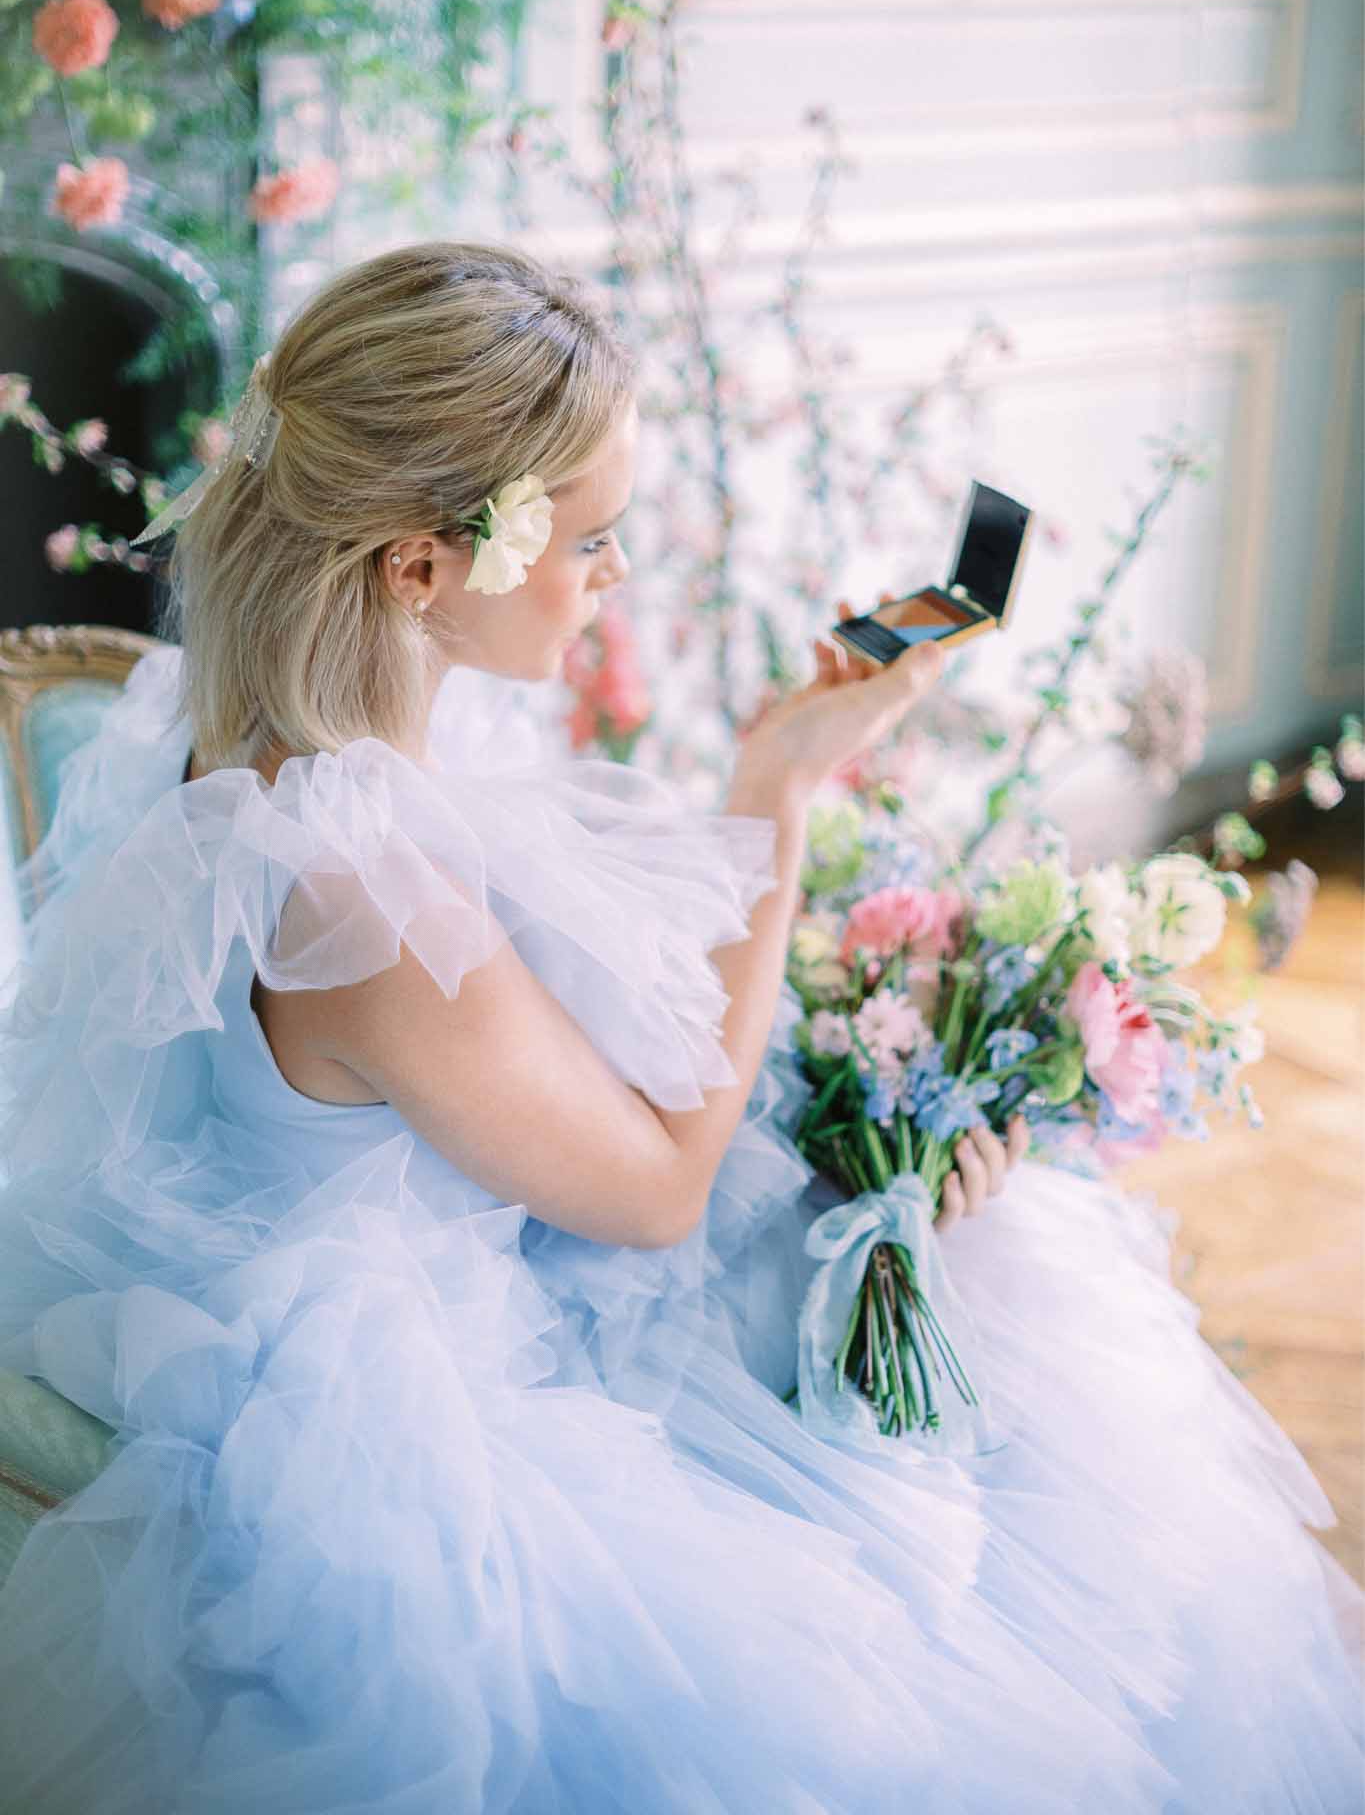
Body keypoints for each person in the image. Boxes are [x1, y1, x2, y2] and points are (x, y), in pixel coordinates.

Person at [0, 240, 1358, 1815]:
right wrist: (776, 793)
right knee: (1023, 1384)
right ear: (418, 568)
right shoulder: (365, 894)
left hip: (466, 1245)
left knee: (961, 1257)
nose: (616, 577)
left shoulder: (236, 728)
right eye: (589, 538)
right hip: (453, 1396)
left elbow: (533, 1074)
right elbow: (650, 1198)